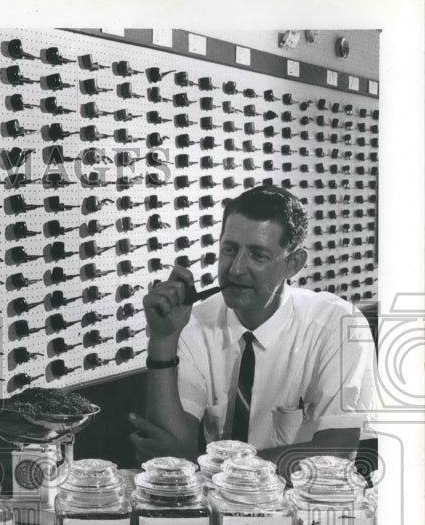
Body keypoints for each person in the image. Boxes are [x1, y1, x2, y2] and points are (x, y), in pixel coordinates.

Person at [130, 185, 376, 473]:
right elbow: (167, 455)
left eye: (257, 255)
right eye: (229, 250)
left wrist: (203, 465)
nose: (235, 269)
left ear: (293, 264)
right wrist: (163, 340)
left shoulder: (338, 324)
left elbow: (335, 455)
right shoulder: (194, 322)